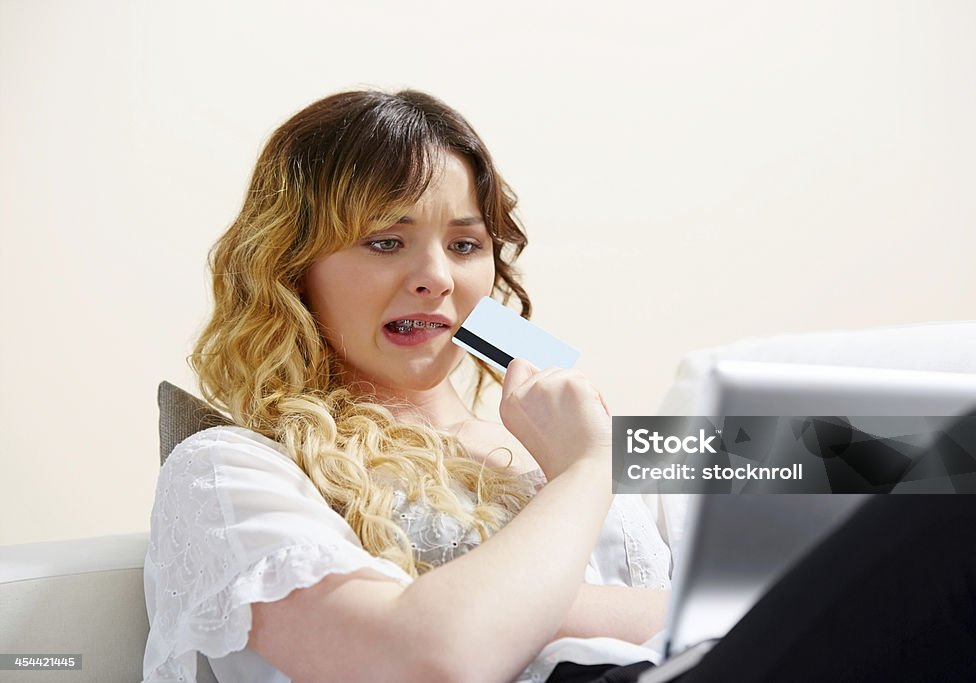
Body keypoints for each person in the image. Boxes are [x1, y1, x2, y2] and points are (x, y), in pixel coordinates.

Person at [142, 89, 673, 683]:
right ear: (291, 269)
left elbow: (794, 465)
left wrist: (595, 445)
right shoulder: (226, 469)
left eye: (465, 245)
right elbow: (420, 659)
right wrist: (589, 471)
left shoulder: (585, 436)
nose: (437, 278)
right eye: (386, 242)